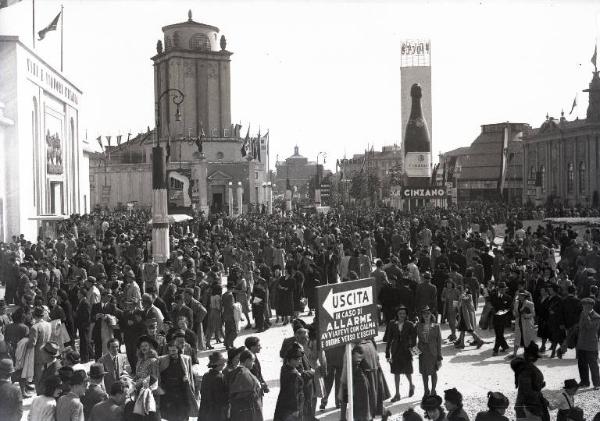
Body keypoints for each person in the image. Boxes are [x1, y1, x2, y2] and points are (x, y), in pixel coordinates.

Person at [158, 339, 197, 421]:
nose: (172, 352)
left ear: (178, 350)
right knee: (171, 415)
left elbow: (190, 374)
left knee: (184, 413)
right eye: (170, 351)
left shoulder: (185, 359)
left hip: (181, 391)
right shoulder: (162, 360)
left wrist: (187, 379)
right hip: (169, 391)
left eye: (174, 350)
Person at [385, 305, 417, 401]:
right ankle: (397, 394)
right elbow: (389, 339)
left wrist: (414, 352)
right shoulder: (392, 323)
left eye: (403, 313)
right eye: (400, 313)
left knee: (407, 371)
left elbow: (414, 339)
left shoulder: (410, 324)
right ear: (397, 314)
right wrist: (387, 354)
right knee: (396, 372)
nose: (402, 315)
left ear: (406, 314)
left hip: (406, 351)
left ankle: (411, 385)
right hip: (395, 351)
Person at [510, 342, 549, 421]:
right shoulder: (526, 370)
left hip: (525, 406)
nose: (536, 359)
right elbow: (527, 391)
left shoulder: (526, 368)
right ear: (531, 357)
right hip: (529, 408)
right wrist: (539, 397)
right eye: (535, 356)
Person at [228, 349, 263, 421]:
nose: (253, 364)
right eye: (252, 361)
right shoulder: (244, 374)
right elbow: (246, 392)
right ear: (247, 361)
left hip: (239, 410)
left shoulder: (236, 371)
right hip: (248, 411)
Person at [274, 344, 305, 421]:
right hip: (291, 407)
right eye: (297, 359)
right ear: (290, 360)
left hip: (283, 403)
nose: (300, 361)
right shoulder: (293, 374)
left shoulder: (284, 368)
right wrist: (295, 409)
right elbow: (293, 393)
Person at [417, 305, 442, 397]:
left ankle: (433, 390)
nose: (426, 315)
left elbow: (439, 342)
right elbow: (413, 339)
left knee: (433, 372)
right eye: (424, 313)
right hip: (422, 353)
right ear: (422, 315)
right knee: (424, 373)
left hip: (433, 353)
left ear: (431, 314)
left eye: (428, 313)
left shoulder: (436, 326)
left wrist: (439, 356)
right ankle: (426, 390)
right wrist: (414, 352)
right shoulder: (419, 326)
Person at [575, 297, 600, 389]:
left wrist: (586, 315)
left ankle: (597, 384)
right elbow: (581, 326)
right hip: (581, 343)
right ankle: (584, 382)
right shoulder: (582, 314)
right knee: (581, 364)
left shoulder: (597, 317)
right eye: (583, 305)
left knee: (593, 365)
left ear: (590, 306)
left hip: (591, 345)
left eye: (584, 305)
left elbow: (590, 327)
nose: (583, 307)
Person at [197, 351, 228, 421]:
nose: (224, 365)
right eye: (223, 364)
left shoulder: (206, 375)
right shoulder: (220, 377)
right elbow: (223, 397)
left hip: (205, 410)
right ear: (219, 365)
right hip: (217, 412)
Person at [489, 282, 512, 356]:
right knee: (498, 334)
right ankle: (505, 346)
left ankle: (495, 350)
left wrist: (501, 313)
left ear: (505, 289)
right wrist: (492, 310)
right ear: (498, 289)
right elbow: (490, 304)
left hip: (503, 318)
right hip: (495, 317)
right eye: (500, 288)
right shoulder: (493, 295)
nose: (502, 290)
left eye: (503, 288)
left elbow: (509, 309)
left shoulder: (508, 297)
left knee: (499, 334)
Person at [512, 291, 536, 358]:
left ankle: (528, 353)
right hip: (518, 322)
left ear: (525, 296)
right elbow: (514, 311)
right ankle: (514, 353)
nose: (520, 296)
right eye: (519, 295)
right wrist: (515, 314)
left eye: (521, 295)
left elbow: (533, 314)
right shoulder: (516, 302)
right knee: (517, 338)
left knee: (527, 338)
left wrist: (526, 315)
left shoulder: (530, 304)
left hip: (526, 323)